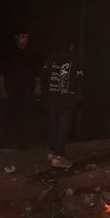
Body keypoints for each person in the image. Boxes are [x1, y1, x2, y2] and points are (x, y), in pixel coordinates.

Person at [42, 39, 81, 168]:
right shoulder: (74, 60)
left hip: (52, 97)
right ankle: (59, 156)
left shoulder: (50, 59)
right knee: (64, 126)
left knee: (54, 125)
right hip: (66, 99)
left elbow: (44, 76)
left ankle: (52, 151)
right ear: (71, 46)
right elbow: (79, 78)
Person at [0, 30, 40, 150]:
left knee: (24, 115)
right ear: (16, 37)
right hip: (11, 88)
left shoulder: (31, 52)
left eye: (27, 37)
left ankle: (22, 142)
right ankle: (6, 141)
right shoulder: (9, 53)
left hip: (26, 88)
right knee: (10, 114)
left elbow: (36, 70)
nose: (25, 39)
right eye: (22, 37)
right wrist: (2, 88)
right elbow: (2, 72)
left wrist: (38, 86)